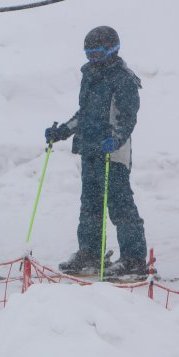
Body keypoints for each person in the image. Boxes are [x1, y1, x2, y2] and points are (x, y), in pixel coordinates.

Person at [45, 26, 148, 277]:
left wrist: (116, 138)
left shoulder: (123, 78)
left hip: (113, 153)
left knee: (119, 205)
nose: (93, 58)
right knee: (90, 206)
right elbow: (85, 114)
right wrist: (63, 131)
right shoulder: (90, 74)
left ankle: (134, 259)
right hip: (90, 150)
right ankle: (90, 252)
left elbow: (127, 117)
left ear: (112, 50)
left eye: (98, 53)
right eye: (88, 53)